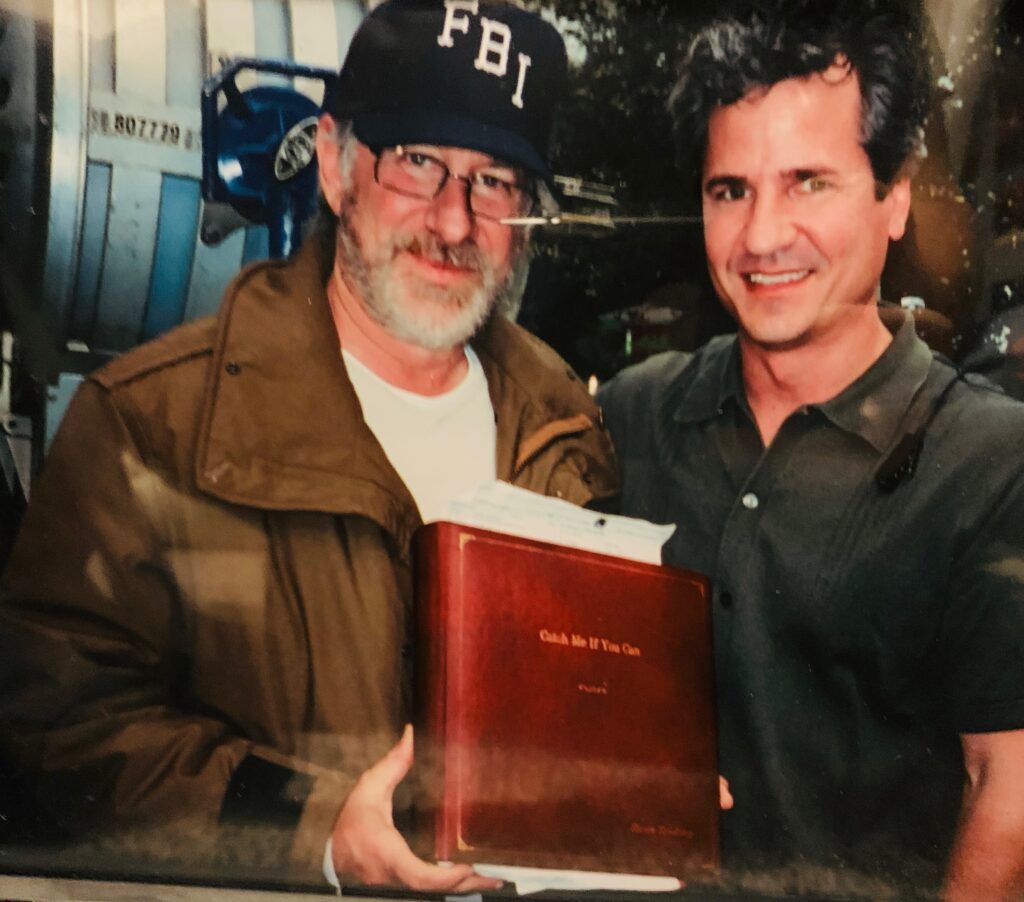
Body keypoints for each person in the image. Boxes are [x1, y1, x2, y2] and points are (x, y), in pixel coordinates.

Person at [0, 0, 618, 892]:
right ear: (333, 166)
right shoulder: (153, 427)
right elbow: (67, 722)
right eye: (418, 162)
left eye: (495, 182)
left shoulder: (567, 428)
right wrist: (317, 831)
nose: (454, 223)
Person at [599, 1, 1024, 898]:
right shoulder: (635, 417)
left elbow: (1009, 789)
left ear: (894, 197)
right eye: (730, 190)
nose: (761, 236)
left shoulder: (992, 465)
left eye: (808, 183)